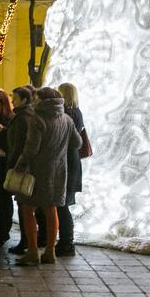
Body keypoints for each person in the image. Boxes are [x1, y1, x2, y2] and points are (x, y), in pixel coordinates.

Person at [14, 87, 82, 266]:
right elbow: (77, 142)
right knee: (51, 209)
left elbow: (31, 149)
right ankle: (50, 251)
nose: (34, 102)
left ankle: (33, 251)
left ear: (42, 101)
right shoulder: (67, 119)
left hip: (37, 171)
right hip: (59, 171)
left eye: (36, 99)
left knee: (28, 209)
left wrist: (19, 166)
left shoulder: (38, 119)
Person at [56, 82, 86, 257]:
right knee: (63, 203)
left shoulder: (67, 114)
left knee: (63, 204)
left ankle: (67, 243)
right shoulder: (77, 112)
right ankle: (66, 241)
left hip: (67, 161)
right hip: (72, 161)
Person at [6, 86, 36, 255]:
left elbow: (18, 145)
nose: (12, 101)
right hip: (23, 165)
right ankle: (27, 240)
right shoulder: (26, 115)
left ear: (24, 100)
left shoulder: (23, 118)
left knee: (24, 205)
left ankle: (26, 241)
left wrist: (12, 166)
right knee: (25, 206)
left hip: (20, 166)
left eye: (15, 98)